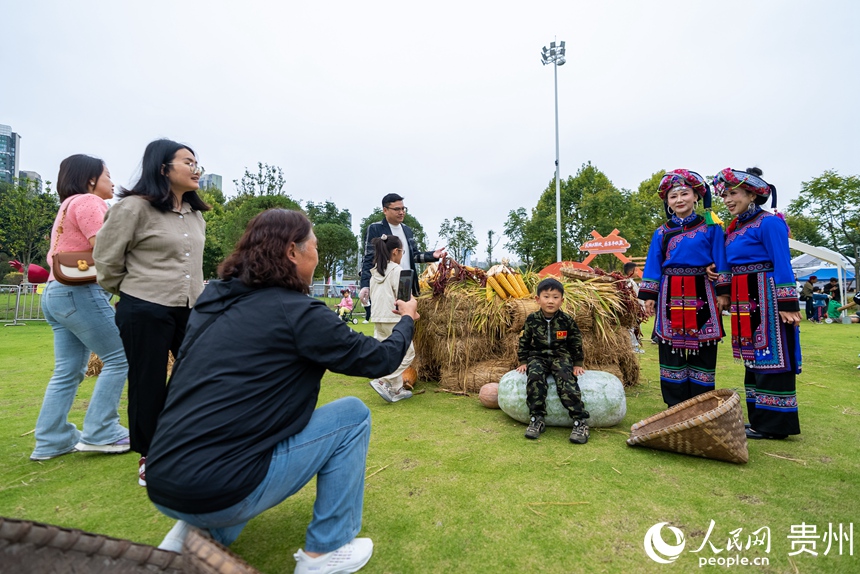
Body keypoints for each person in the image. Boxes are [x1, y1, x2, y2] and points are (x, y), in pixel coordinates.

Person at [145, 209, 418, 574]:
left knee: (232, 445)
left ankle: (190, 537)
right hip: (220, 488)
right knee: (352, 415)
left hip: (161, 479)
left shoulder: (211, 304)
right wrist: (407, 322)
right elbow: (380, 358)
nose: (317, 257)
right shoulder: (299, 312)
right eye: (314, 247)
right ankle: (326, 552)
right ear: (293, 252)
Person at [94, 139, 210, 486]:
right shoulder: (133, 207)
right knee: (147, 383)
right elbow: (107, 261)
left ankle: (181, 438)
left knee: (199, 372)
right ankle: (150, 455)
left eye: (196, 163)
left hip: (189, 307)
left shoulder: (196, 213)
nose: (195, 169)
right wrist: (134, 294)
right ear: (163, 168)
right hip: (144, 306)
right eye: (187, 162)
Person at [30, 155, 130, 461]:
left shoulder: (67, 205)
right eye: (107, 175)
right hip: (79, 292)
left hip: (56, 292)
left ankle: (52, 439)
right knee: (120, 357)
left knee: (67, 370)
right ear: (90, 180)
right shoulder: (89, 201)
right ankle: (102, 432)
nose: (112, 182)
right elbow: (106, 247)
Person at [714, 167, 801, 440]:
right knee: (753, 358)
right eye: (725, 195)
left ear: (752, 194)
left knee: (772, 358)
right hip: (744, 299)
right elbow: (729, 264)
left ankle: (774, 425)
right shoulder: (736, 228)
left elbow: (782, 261)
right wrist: (724, 291)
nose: (728, 200)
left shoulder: (769, 223)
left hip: (768, 297)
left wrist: (787, 303)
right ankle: (759, 420)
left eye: (734, 193)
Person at [638, 169, 730, 407]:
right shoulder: (662, 232)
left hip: (703, 290)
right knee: (671, 349)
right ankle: (675, 405)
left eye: (684, 194)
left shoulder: (712, 228)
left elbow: (720, 259)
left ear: (696, 197)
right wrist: (649, 296)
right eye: (673, 196)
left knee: (704, 346)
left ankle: (701, 403)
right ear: (668, 202)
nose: (679, 200)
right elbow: (653, 264)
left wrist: (723, 291)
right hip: (670, 293)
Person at [516, 278, 589, 444]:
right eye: (546, 296)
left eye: (555, 297)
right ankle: (537, 418)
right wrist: (523, 360)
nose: (550, 301)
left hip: (560, 357)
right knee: (534, 379)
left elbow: (575, 341)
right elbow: (524, 340)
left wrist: (578, 363)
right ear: (537, 299)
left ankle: (580, 421)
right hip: (538, 357)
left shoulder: (567, 321)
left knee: (567, 380)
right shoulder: (532, 320)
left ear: (562, 300)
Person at [358, 193, 445, 306]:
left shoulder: (407, 230)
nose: (401, 212)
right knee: (389, 318)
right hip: (386, 283)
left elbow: (413, 255)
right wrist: (365, 285)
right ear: (385, 210)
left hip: (406, 282)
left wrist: (432, 255)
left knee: (407, 318)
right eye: (397, 209)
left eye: (403, 208)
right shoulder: (375, 229)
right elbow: (369, 258)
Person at [367, 234, 415, 403]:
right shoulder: (397, 271)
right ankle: (383, 380)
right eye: (402, 252)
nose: (402, 257)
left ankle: (396, 389)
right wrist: (412, 311)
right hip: (394, 317)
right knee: (408, 353)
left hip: (378, 317)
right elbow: (403, 298)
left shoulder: (375, 272)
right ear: (395, 252)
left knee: (387, 352)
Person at [623, 261, 645, 354]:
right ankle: (633, 346)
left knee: (634, 327)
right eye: (636, 271)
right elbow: (635, 297)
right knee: (632, 328)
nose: (637, 273)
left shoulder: (631, 282)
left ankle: (634, 345)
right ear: (630, 272)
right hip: (633, 310)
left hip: (635, 309)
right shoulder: (629, 283)